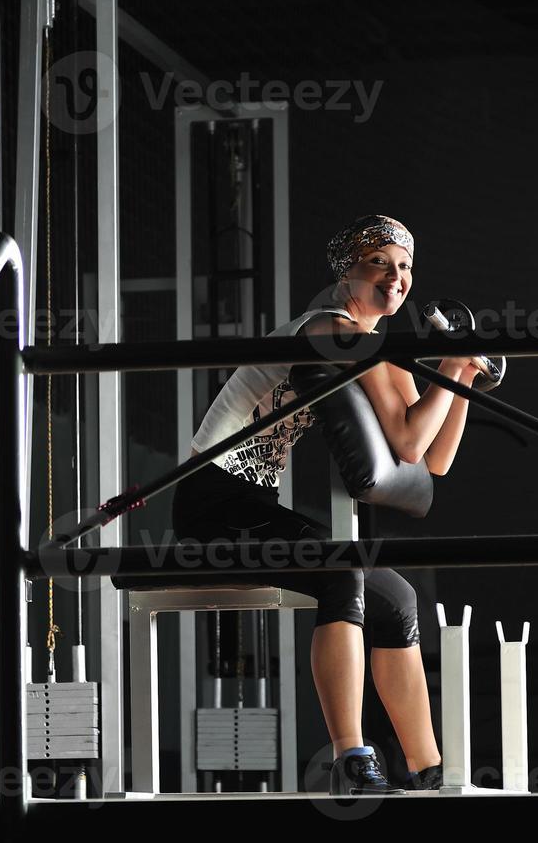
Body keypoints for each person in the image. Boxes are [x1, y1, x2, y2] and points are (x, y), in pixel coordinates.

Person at [171, 214, 487, 795]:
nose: (395, 279)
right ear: (347, 272)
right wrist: (449, 365)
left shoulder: (373, 344)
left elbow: (432, 459)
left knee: (397, 598)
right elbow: (414, 441)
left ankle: (429, 770)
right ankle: (352, 759)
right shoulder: (330, 329)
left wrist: (464, 372)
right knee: (342, 569)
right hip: (213, 504)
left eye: (405, 268)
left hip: (254, 503)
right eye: (378, 265)